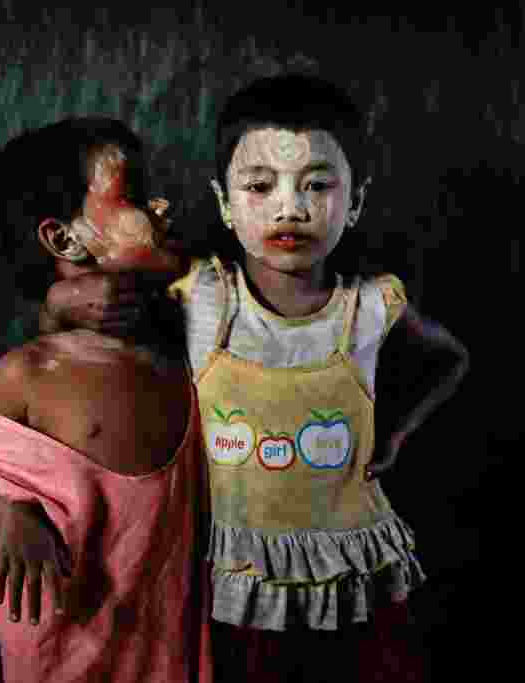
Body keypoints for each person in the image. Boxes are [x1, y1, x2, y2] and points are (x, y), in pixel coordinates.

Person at [42, 75, 471, 682]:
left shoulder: (374, 304)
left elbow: (450, 358)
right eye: (260, 186)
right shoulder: (201, 295)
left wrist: (395, 433)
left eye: (318, 185)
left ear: (356, 202)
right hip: (233, 576)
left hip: (352, 571)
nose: (289, 207)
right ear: (224, 203)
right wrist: (58, 303)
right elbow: (82, 310)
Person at [0, 116, 212, 683]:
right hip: (70, 660)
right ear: (63, 238)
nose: (160, 205)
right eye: (134, 194)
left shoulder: (183, 348)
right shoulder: (29, 375)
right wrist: (12, 513)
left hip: (168, 655)